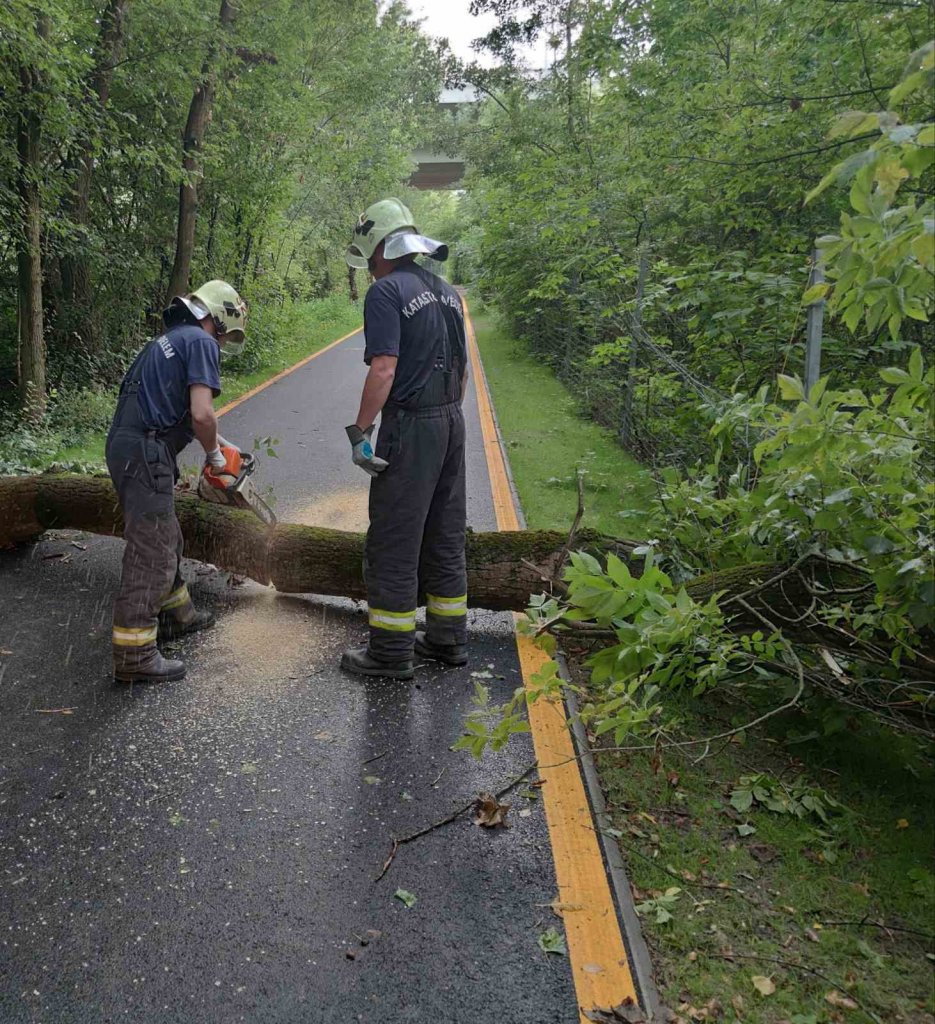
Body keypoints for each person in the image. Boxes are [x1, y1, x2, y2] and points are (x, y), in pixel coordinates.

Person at [341, 198, 469, 680]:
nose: (371, 268)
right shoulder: (447, 291)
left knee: (394, 538)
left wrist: (360, 431)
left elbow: (384, 367)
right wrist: (448, 418)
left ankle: (391, 652)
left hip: (412, 426)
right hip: (452, 421)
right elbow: (461, 372)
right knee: (444, 535)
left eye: (370, 258)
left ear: (381, 247)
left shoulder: (386, 293)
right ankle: (447, 639)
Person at [106, 280, 248, 683]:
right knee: (151, 550)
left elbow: (185, 412)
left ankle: (178, 615)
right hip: (146, 451)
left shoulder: (168, 341)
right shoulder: (202, 344)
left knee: (165, 536)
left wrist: (221, 443)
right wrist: (215, 457)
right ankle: (134, 655)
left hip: (127, 445)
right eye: (225, 332)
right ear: (219, 317)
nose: (222, 341)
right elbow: (202, 414)